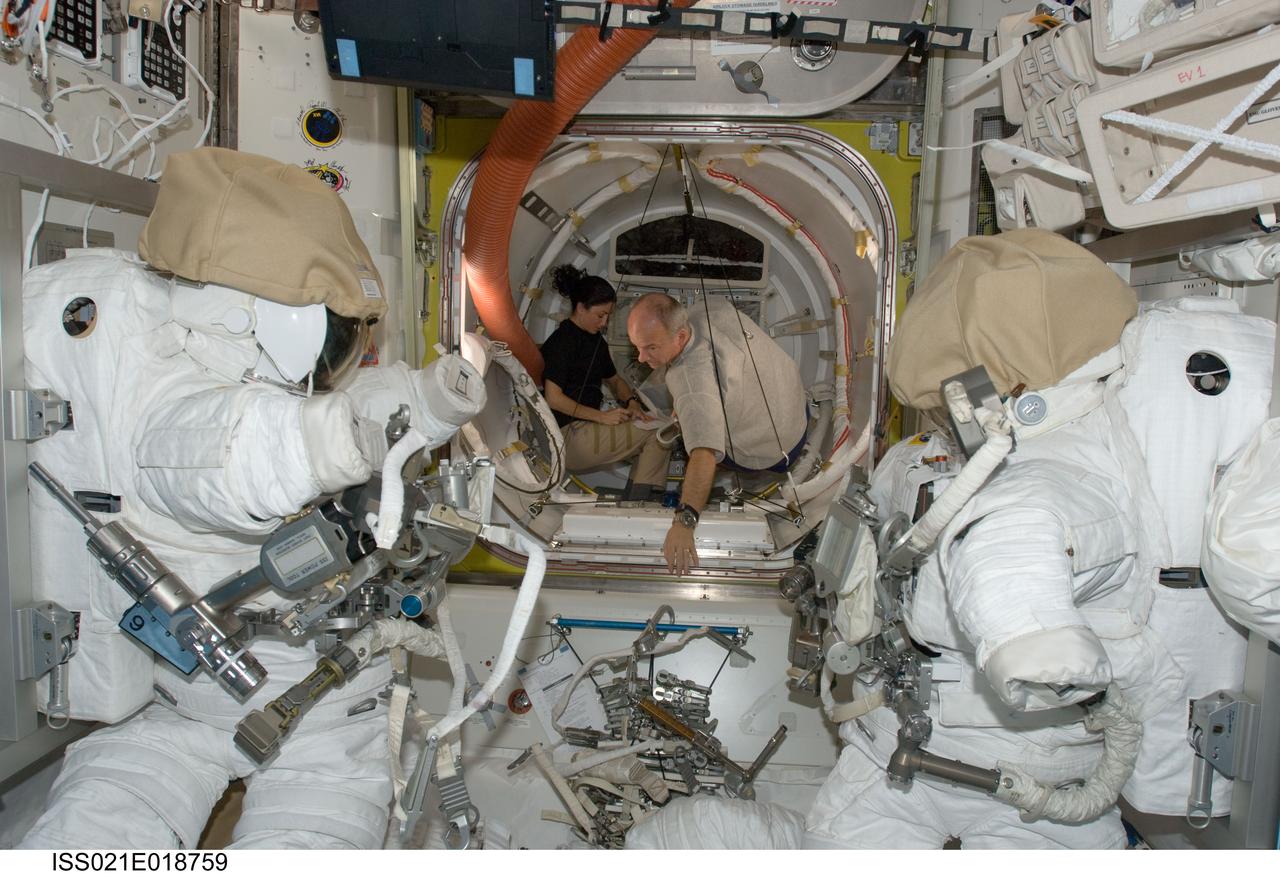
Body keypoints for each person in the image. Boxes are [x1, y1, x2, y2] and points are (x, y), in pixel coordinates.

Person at [19, 148, 486, 849]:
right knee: (88, 841)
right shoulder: (172, 402)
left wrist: (420, 402)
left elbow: (343, 400)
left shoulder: (261, 382)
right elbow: (232, 455)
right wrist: (339, 439)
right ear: (251, 319)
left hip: (321, 717)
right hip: (182, 708)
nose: (338, 363)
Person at [804, 229, 1274, 848]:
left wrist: (1031, 638)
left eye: (950, 400)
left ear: (1002, 383)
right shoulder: (933, 457)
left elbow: (1014, 537)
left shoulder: (1057, 467)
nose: (945, 422)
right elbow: (890, 509)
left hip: (1027, 776)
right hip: (899, 741)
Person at [626, 292, 805, 574]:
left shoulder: (687, 377)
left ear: (681, 337)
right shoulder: (710, 307)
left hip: (778, 449)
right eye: (637, 347)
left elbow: (704, 455)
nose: (641, 357)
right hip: (794, 400)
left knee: (698, 441)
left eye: (651, 348)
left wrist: (684, 522)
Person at [540, 265, 670, 498]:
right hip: (567, 438)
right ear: (580, 308)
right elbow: (553, 398)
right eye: (600, 315)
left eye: (608, 316)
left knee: (658, 423)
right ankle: (641, 503)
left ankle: (638, 498)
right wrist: (601, 416)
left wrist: (631, 403)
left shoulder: (596, 342)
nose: (605, 323)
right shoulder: (561, 342)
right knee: (660, 433)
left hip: (586, 428)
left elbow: (615, 380)